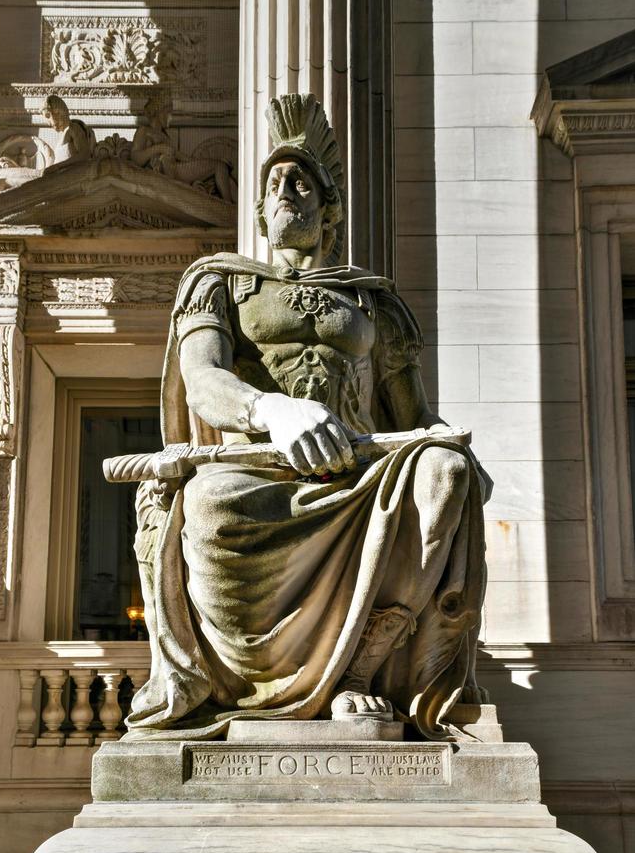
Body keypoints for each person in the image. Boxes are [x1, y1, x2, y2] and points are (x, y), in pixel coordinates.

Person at [127, 93, 490, 740]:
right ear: (261, 212)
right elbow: (204, 381)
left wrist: (448, 451)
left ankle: (357, 673)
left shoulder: (374, 303)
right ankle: (249, 683)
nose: (286, 189)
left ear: (330, 210)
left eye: (300, 180)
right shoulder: (220, 282)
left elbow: (415, 415)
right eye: (274, 182)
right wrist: (273, 410)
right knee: (211, 507)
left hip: (359, 467)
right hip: (256, 466)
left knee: (442, 475)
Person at [0, 95, 95, 197]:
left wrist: (58, 167)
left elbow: (84, 155)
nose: (48, 122)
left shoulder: (73, 127)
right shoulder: (63, 135)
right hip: (46, 176)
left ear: (58, 111)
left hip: (51, 180)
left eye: (48, 116)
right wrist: (15, 167)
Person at [130, 97, 236, 202]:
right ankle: (227, 205)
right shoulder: (144, 131)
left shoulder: (165, 136)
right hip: (171, 172)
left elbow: (178, 155)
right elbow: (136, 158)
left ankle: (229, 205)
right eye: (168, 113)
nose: (171, 118)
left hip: (177, 170)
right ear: (159, 112)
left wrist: (197, 161)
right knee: (219, 166)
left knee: (221, 166)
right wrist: (158, 148)